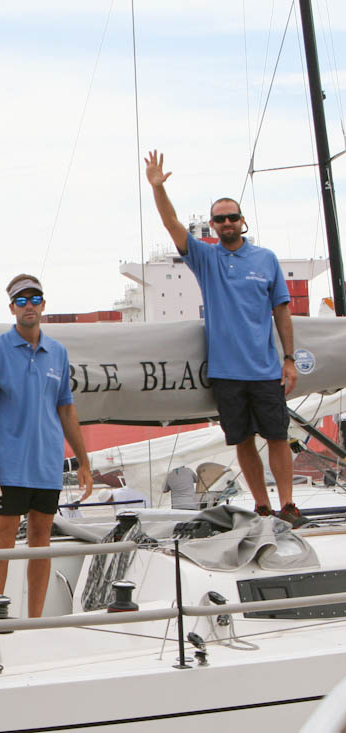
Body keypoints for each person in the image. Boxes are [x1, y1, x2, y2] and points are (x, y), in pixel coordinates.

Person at [144, 150, 307, 528]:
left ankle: (288, 504)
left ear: (242, 221)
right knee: (243, 440)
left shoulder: (266, 259)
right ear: (213, 226)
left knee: (278, 436)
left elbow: (282, 311)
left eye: (233, 217)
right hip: (226, 372)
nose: (227, 222)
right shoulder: (206, 258)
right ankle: (262, 507)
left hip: (266, 369)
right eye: (220, 219)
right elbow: (171, 224)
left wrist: (289, 358)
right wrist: (157, 188)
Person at [0, 274, 93, 618]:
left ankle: (35, 620)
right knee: (4, 541)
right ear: (12, 307)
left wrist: (84, 462)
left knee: (42, 541)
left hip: (47, 464)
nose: (29, 306)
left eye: (35, 299)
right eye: (22, 300)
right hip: (7, 466)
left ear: (44, 305)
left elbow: (66, 409)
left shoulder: (58, 352)